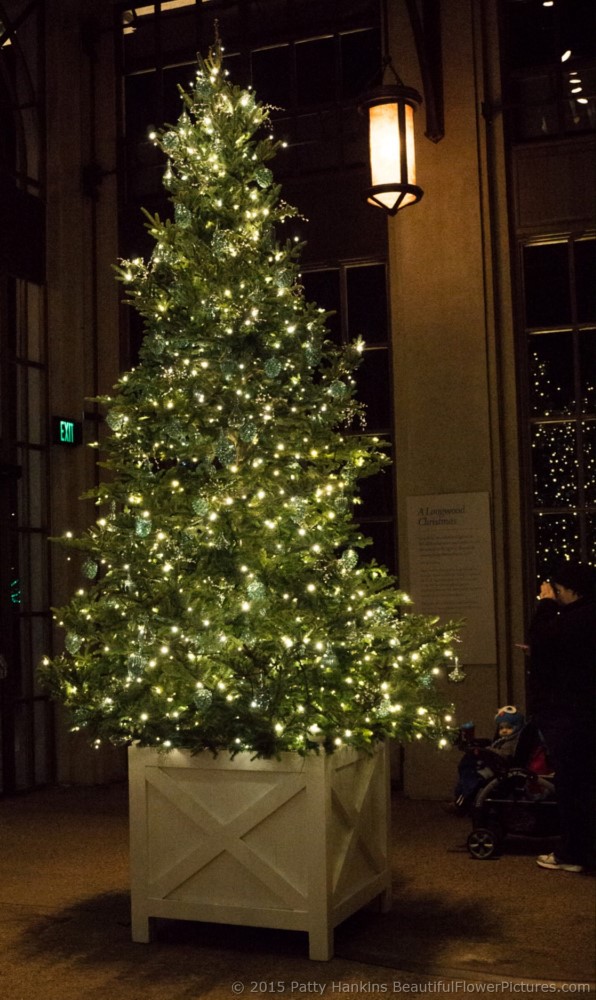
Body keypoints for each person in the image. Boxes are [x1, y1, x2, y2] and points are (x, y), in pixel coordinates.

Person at [526, 559, 596, 873]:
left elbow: (541, 640)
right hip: (586, 712)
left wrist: (544, 604)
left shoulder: (575, 619)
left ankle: (573, 853)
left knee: (573, 785)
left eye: (557, 589)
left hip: (573, 715)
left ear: (567, 589)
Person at [443, 705, 526, 815]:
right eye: (501, 728)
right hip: (492, 763)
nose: (504, 731)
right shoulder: (504, 740)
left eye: (508, 728)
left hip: (497, 768)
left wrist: (486, 751)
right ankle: (460, 798)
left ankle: (461, 805)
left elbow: (504, 755)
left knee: (471, 778)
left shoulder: (511, 743)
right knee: (467, 769)